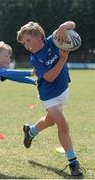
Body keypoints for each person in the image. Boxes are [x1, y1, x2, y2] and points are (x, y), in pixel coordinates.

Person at [17, 21, 83, 176]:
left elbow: (72, 24)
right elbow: (50, 77)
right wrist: (62, 60)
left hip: (63, 89)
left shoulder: (55, 39)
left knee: (50, 121)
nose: (26, 45)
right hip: (48, 95)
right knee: (62, 124)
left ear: (39, 36)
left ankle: (31, 131)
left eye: (27, 40)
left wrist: (62, 28)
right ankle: (73, 162)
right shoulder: (35, 58)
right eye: (23, 43)